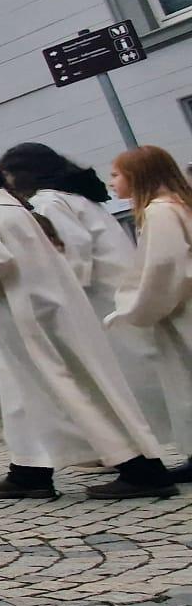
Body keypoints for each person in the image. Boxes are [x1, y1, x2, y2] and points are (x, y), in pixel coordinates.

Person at [0, 156, 172, 498]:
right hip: (48, 311)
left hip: (25, 319)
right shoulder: (18, 210)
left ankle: (140, 469)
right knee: (41, 394)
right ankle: (29, 470)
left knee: (66, 392)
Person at [0, 142, 171, 441]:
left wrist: (58, 295)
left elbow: (73, 251)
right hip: (118, 290)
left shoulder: (48, 202)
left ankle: (141, 448)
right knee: (149, 370)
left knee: (134, 377)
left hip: (101, 298)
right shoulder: (77, 197)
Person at [106, 145, 192, 473]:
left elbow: (164, 267)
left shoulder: (160, 211)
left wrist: (137, 307)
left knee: (185, 378)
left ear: (137, 176)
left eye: (116, 174)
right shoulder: (179, 204)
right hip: (180, 304)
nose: (112, 181)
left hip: (180, 308)